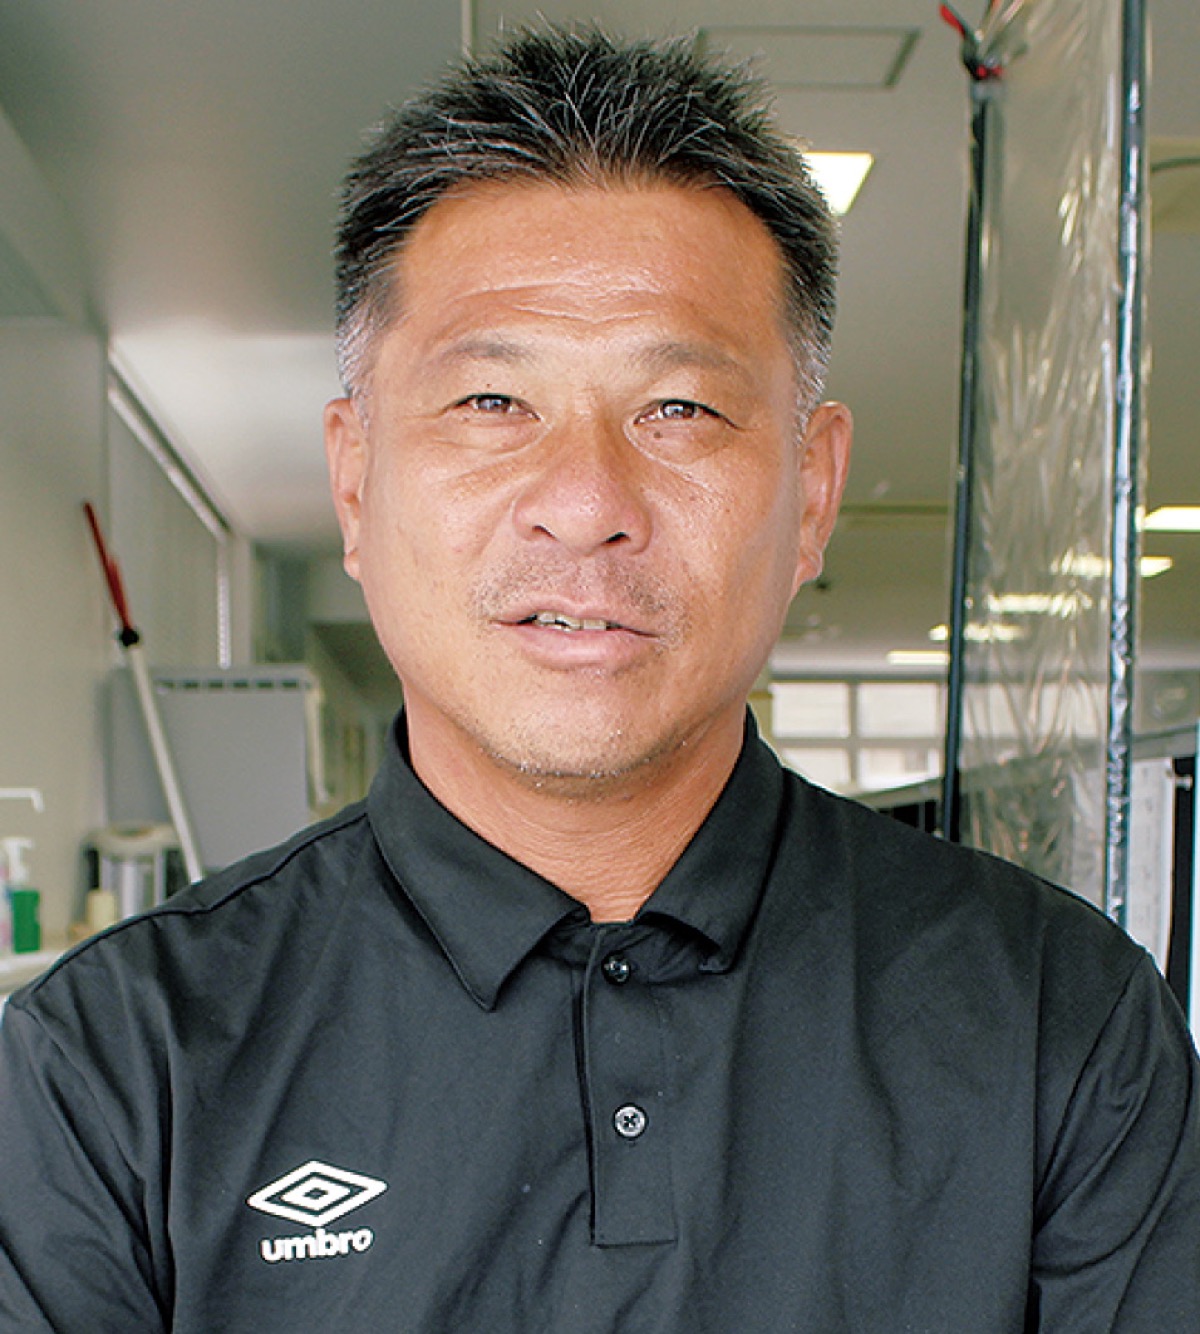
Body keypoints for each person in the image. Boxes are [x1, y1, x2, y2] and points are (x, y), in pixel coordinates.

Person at [1, 26, 1197, 1332]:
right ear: (354, 480)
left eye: (679, 409)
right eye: (491, 403)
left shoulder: (1059, 1021)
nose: (584, 503)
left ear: (812, 493)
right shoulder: (112, 1070)